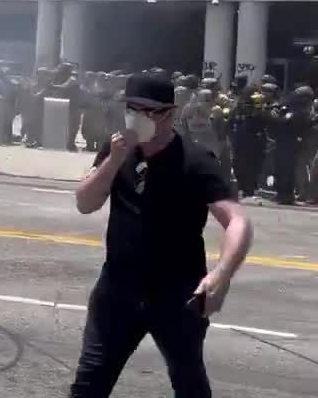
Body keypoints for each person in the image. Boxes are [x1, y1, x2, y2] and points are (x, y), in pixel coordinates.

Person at [69, 74, 254, 397]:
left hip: (177, 293)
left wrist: (222, 274)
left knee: (188, 380)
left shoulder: (195, 160)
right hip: (119, 288)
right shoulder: (116, 150)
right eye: (131, 109)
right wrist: (113, 161)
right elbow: (85, 203)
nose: (136, 117)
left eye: (146, 111)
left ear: (168, 114)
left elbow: (238, 221)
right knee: (90, 382)